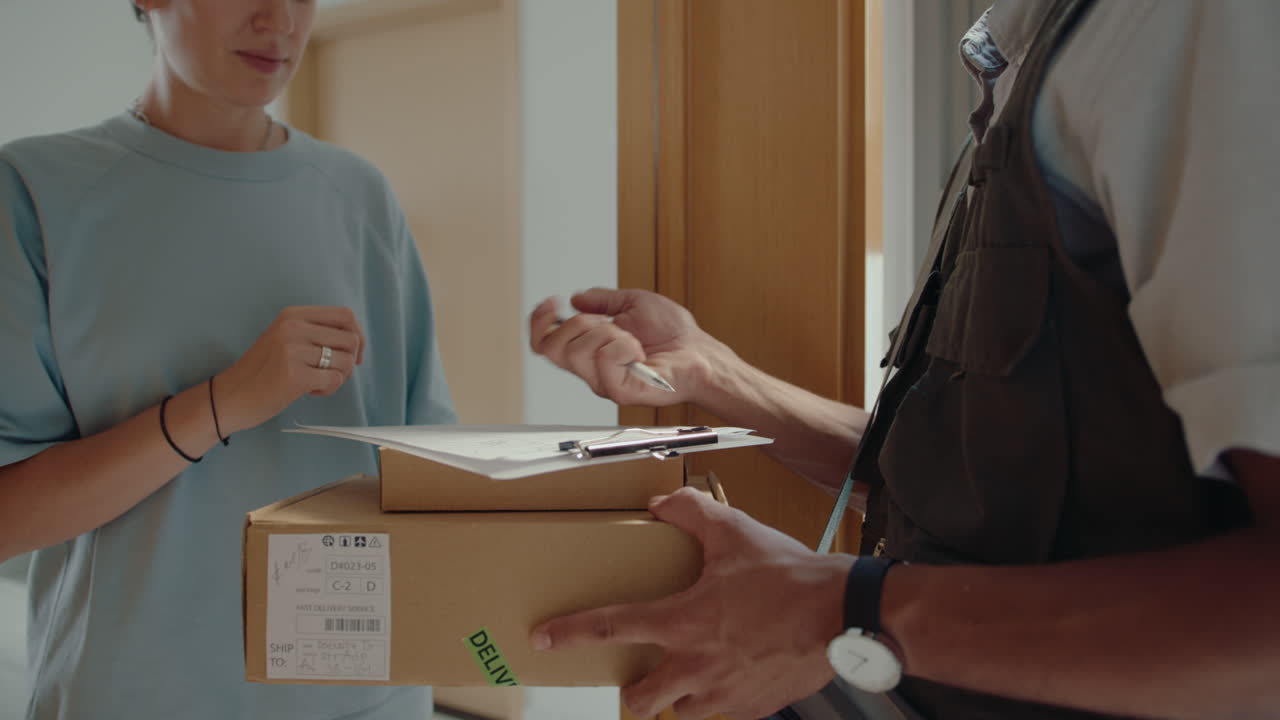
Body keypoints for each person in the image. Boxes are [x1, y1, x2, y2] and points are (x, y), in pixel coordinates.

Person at [527, 0, 1280, 718]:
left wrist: (844, 611)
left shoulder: (1198, 33)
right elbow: (993, 498)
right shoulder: (1039, 59)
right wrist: (715, 375)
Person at [0, 1, 454, 717]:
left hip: (365, 697)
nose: (279, 20)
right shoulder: (34, 190)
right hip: (134, 697)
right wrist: (225, 403)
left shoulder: (360, 196)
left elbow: (430, 474)